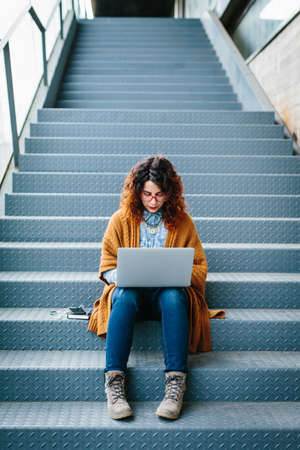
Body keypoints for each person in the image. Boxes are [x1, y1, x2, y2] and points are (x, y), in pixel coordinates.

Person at [88, 155, 223, 420]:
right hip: (131, 297)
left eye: (159, 195)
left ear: (170, 193)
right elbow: (106, 266)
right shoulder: (120, 219)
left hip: (168, 298)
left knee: (173, 297)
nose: (152, 201)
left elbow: (199, 268)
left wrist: (176, 274)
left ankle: (175, 384)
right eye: (147, 194)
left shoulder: (183, 222)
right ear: (136, 191)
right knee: (124, 295)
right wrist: (127, 274)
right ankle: (114, 383)